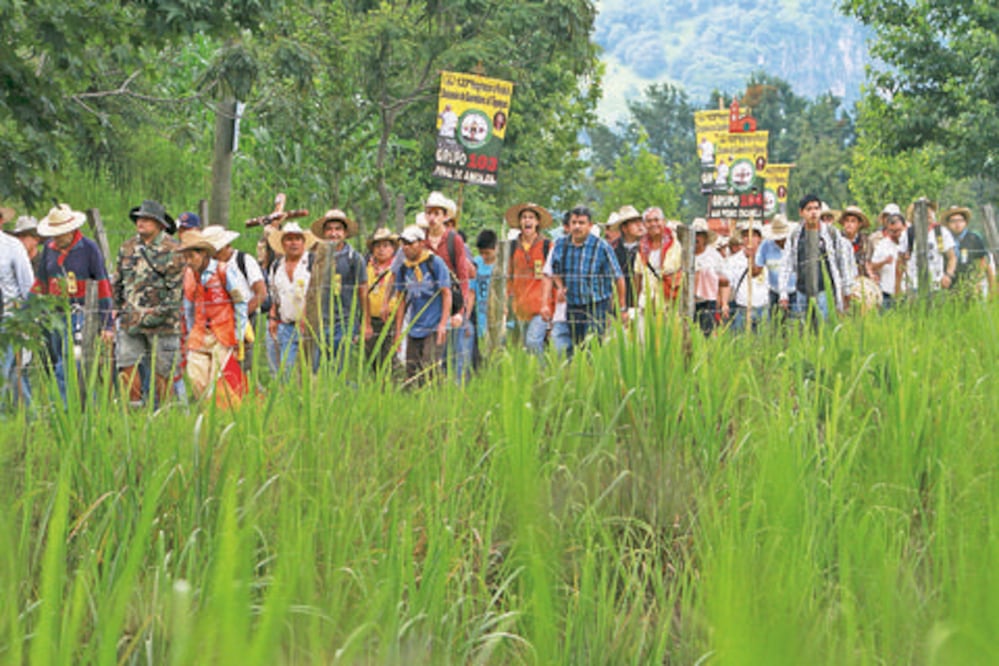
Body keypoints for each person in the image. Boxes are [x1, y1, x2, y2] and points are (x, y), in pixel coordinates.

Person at [33, 204, 114, 405]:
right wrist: (27, 311)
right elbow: (40, 284)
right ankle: (84, 407)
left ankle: (66, 407)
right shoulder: (48, 251)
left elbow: (103, 285)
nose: (57, 237)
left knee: (70, 363)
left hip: (81, 314)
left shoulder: (89, 249)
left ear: (71, 230)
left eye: (60, 233)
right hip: (55, 316)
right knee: (58, 360)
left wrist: (107, 324)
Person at [112, 200, 185, 407]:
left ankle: (164, 415)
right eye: (139, 218)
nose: (140, 222)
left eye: (146, 219)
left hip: (164, 324)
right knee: (127, 365)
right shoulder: (127, 247)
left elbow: (176, 291)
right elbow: (117, 281)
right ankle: (133, 412)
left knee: (164, 371)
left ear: (160, 224)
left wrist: (154, 315)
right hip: (130, 320)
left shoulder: (174, 250)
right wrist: (119, 309)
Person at [180, 230, 250, 407]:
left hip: (224, 332)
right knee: (195, 375)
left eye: (191, 256)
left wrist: (238, 335)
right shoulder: (188, 274)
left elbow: (240, 302)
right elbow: (188, 306)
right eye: (185, 257)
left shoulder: (224, 271)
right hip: (200, 333)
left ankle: (220, 416)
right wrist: (190, 332)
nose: (188, 261)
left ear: (203, 253)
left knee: (219, 379)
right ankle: (206, 410)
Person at [541, 206, 625, 354]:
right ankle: (575, 375)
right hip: (573, 304)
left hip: (596, 304)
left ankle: (592, 375)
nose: (577, 227)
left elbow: (618, 277)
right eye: (574, 222)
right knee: (576, 346)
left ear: (590, 225)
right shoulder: (561, 244)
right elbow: (554, 271)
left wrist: (621, 308)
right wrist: (560, 286)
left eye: (581, 223)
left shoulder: (601, 246)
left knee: (592, 348)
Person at [305, 209, 367, 372]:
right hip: (319, 320)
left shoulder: (354, 258)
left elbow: (362, 290)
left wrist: (364, 322)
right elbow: (309, 290)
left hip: (344, 321)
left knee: (340, 369)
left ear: (345, 233)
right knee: (314, 368)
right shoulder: (315, 257)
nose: (334, 233)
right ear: (324, 233)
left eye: (338, 229)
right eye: (329, 229)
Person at [779, 194, 856, 323]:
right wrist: (783, 293)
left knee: (824, 326)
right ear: (801, 212)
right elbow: (786, 265)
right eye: (809, 209)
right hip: (802, 289)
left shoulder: (831, 233)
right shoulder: (795, 236)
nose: (813, 212)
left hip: (825, 290)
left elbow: (842, 261)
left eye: (816, 208)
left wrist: (846, 289)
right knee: (804, 327)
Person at [423, 192, 472, 381]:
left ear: (445, 216)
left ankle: (457, 395)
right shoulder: (422, 241)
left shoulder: (454, 240)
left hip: (451, 302)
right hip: (428, 305)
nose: (433, 218)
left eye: (437, 213)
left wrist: (460, 311)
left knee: (455, 354)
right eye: (430, 213)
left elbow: (463, 276)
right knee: (432, 356)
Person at [394, 225, 451, 386]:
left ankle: (435, 400)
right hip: (414, 325)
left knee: (429, 366)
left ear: (421, 243)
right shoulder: (404, 269)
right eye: (403, 243)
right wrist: (398, 332)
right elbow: (401, 301)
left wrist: (442, 324)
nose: (406, 247)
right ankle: (414, 401)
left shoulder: (435, 263)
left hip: (433, 324)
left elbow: (446, 293)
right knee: (411, 368)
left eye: (410, 243)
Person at [266, 221, 316, 378]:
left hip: (310, 326)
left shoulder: (313, 263)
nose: (293, 243)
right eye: (289, 239)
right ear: (282, 244)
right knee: (287, 370)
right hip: (286, 325)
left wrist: (306, 316)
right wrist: (273, 317)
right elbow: (274, 294)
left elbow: (319, 294)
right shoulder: (276, 266)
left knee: (310, 371)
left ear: (303, 242)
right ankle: (291, 400)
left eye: (297, 239)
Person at [505, 202, 553, 355]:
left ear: (537, 222)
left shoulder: (547, 246)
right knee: (524, 347)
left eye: (531, 217)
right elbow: (507, 277)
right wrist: (505, 302)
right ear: (519, 222)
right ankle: (536, 374)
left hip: (541, 307)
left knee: (532, 342)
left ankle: (540, 375)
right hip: (520, 307)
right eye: (524, 217)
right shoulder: (512, 247)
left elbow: (554, 275)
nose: (527, 221)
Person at [0, 205, 36, 407]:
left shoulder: (13, 246)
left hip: (9, 317)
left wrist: (27, 318)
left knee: (7, 371)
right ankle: (27, 418)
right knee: (13, 373)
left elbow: (27, 285)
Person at [363, 227, 402, 373]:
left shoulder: (397, 269)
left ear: (393, 248)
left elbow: (401, 298)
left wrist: (398, 329)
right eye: (377, 246)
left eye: (385, 246)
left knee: (389, 358)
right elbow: (363, 294)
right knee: (372, 358)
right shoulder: (367, 268)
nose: (381, 250)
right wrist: (365, 322)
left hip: (390, 319)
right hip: (371, 319)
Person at [902, 201, 957, 294]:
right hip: (914, 285)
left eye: (929, 209)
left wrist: (948, 275)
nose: (928, 212)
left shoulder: (941, 232)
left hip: (937, 284)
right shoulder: (908, 234)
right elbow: (901, 260)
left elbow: (952, 257)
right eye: (923, 210)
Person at [636, 207, 683, 316]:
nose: (653, 224)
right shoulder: (642, 247)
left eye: (656, 220)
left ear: (664, 222)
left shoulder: (676, 245)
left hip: (670, 306)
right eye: (649, 221)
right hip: (647, 304)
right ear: (644, 225)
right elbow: (638, 275)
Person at [941, 205, 994, 296]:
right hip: (949, 283)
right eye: (953, 221)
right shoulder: (944, 239)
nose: (957, 224)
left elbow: (983, 260)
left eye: (960, 221)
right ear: (948, 224)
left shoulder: (973, 238)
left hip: (970, 282)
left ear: (965, 222)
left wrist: (978, 280)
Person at [726, 221, 768, 332]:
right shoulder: (733, 261)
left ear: (759, 238)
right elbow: (728, 284)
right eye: (745, 235)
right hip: (742, 308)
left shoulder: (767, 257)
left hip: (764, 307)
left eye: (753, 235)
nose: (749, 238)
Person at [690, 218, 730, 335]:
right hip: (688, 302)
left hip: (708, 302)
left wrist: (724, 303)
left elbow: (725, 282)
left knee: (707, 334)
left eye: (700, 235)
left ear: (705, 237)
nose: (696, 238)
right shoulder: (684, 254)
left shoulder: (714, 256)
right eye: (694, 234)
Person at [609, 205, 646, 320]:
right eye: (634, 222)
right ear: (624, 228)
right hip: (618, 305)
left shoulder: (648, 247)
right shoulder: (612, 249)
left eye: (640, 221)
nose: (640, 225)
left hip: (643, 304)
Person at [756, 214, 795, 321]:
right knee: (776, 325)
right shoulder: (766, 246)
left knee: (795, 325)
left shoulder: (795, 245)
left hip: (795, 291)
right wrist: (750, 256)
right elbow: (756, 270)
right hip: (774, 291)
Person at [471, 228, 501, 359]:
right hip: (480, 315)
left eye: (487, 253)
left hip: (498, 316)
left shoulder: (503, 265)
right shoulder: (476, 263)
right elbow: (471, 289)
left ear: (496, 248)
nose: (484, 256)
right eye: (481, 253)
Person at [869, 211, 907, 309]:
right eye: (892, 231)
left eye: (898, 230)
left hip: (908, 292)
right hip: (887, 292)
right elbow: (872, 265)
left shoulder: (912, 243)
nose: (896, 234)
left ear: (905, 227)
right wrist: (883, 262)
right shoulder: (883, 244)